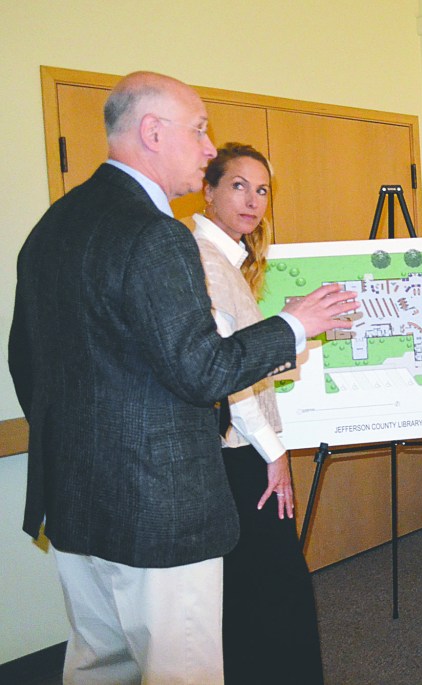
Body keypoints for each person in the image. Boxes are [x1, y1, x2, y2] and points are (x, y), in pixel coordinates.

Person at [8, 71, 358, 685]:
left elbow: (25, 361)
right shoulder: (156, 234)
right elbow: (202, 370)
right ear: (152, 132)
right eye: (198, 131)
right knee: (180, 671)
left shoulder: (53, 226)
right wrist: (293, 325)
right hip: (158, 511)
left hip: (74, 502)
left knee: (100, 666)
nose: (207, 147)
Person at [194, 143, 324, 684]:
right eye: (238, 186)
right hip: (239, 452)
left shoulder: (226, 260)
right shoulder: (204, 262)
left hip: (241, 448)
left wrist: (294, 332)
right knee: (272, 586)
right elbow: (226, 375)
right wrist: (275, 453)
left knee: (258, 585)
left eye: (263, 189)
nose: (253, 201)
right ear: (208, 191)